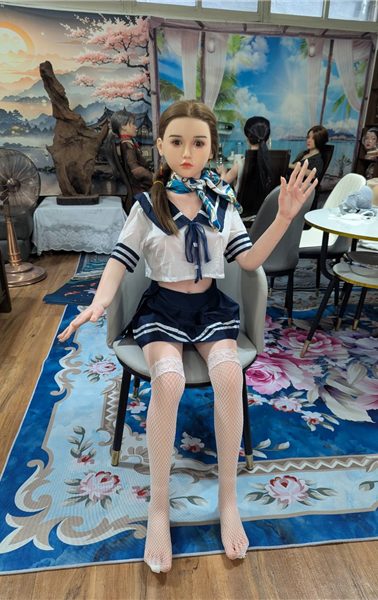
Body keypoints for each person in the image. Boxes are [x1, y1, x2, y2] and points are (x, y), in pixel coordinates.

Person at [58, 100, 318, 573]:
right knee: (170, 380)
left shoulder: (223, 204)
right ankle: (158, 508)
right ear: (160, 146)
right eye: (176, 141)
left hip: (210, 309)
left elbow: (249, 261)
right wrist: (99, 300)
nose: (187, 152)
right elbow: (120, 259)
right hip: (162, 309)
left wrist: (282, 217)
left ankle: (228, 500)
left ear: (211, 148)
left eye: (198, 143)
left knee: (228, 376)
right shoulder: (147, 205)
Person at [216, 116, 272, 217]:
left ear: (247, 138)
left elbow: (220, 188)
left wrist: (223, 172)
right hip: (265, 216)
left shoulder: (241, 164)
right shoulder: (274, 162)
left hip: (240, 217)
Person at [109, 110, 153, 195]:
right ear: (123, 127)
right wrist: (153, 176)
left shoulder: (127, 144)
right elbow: (136, 170)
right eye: (132, 124)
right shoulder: (127, 146)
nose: (135, 127)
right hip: (140, 189)